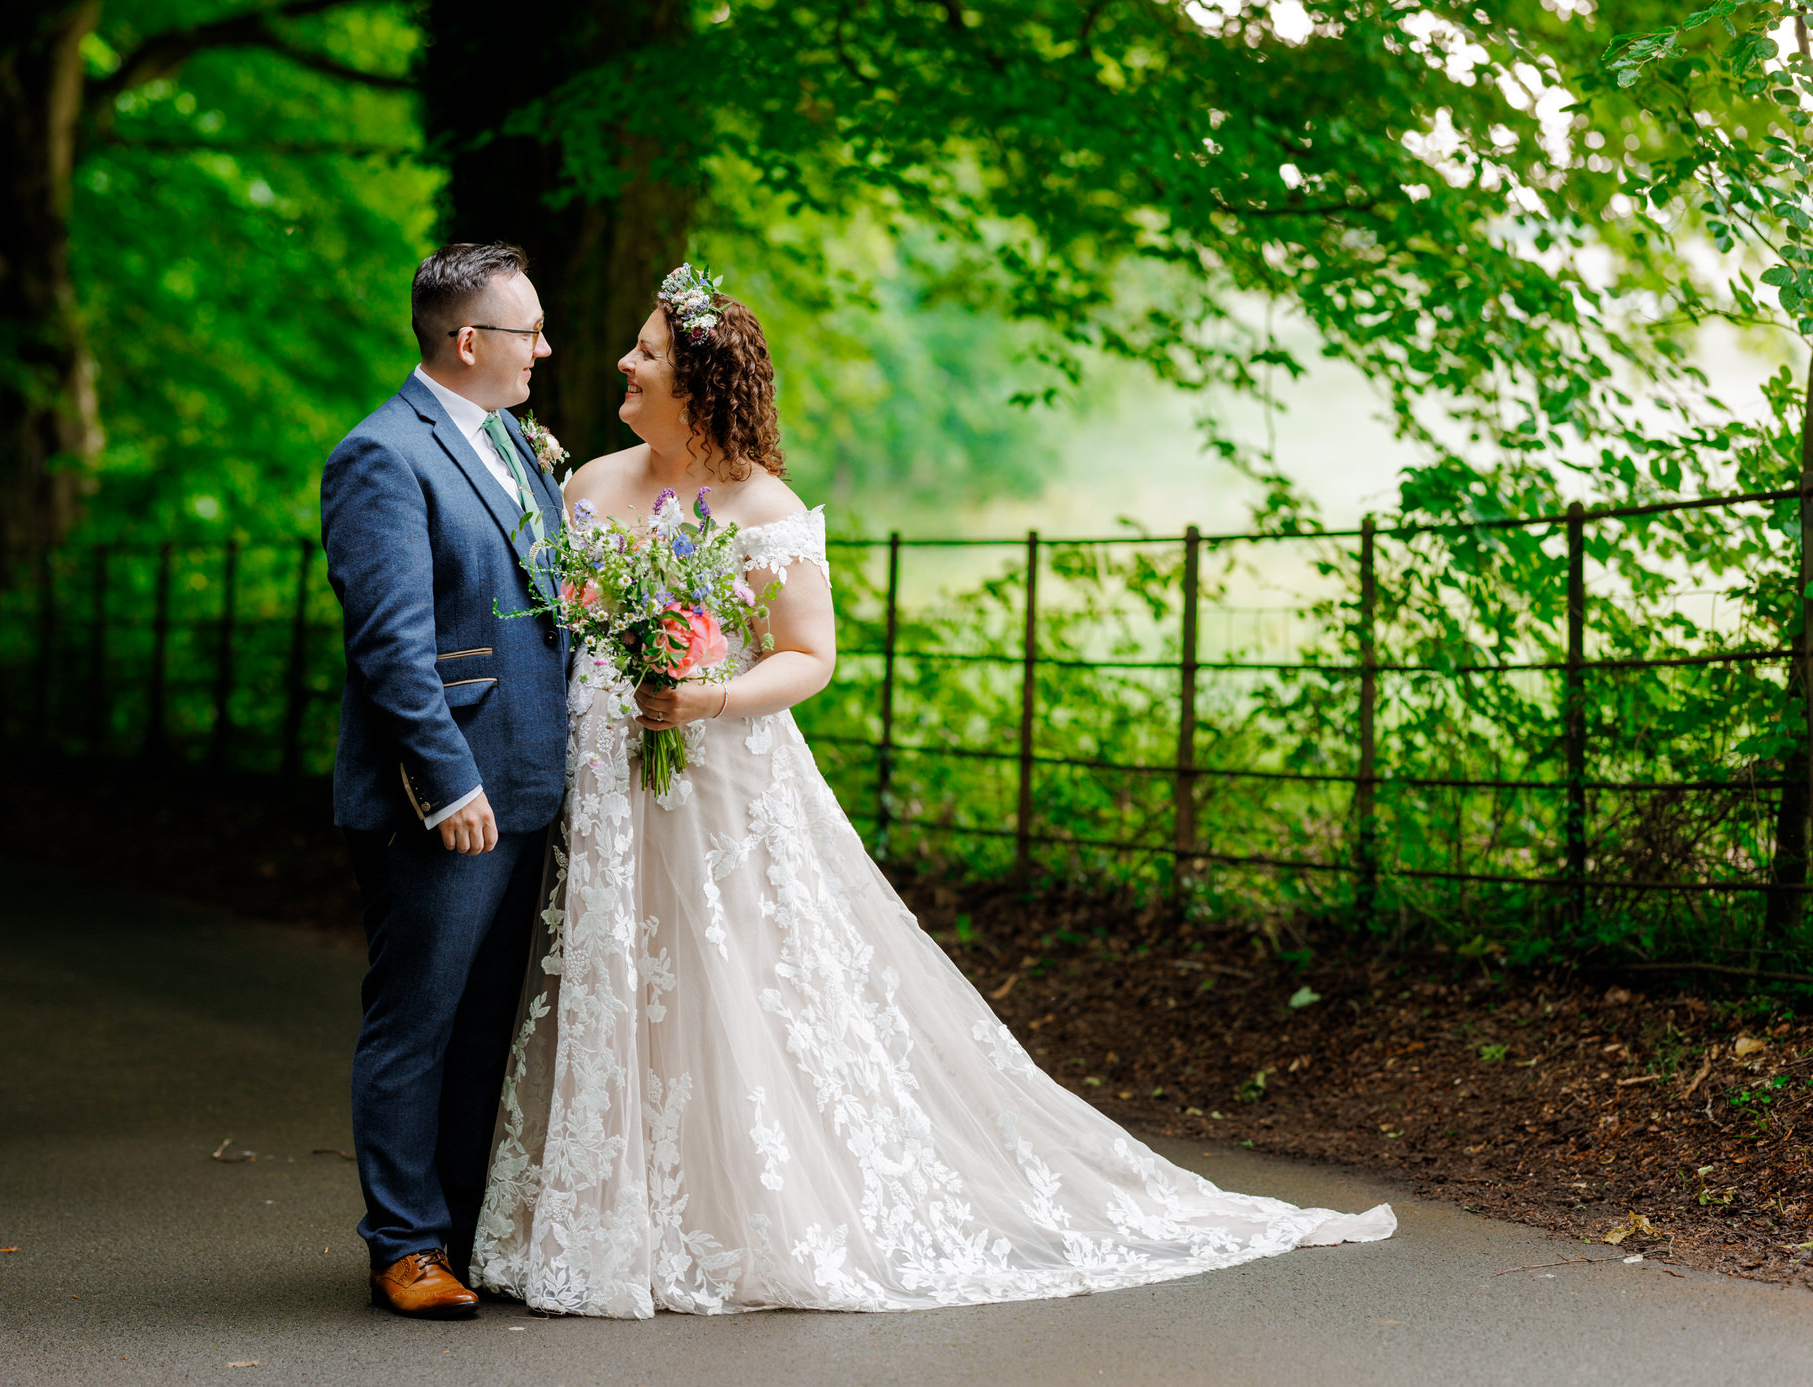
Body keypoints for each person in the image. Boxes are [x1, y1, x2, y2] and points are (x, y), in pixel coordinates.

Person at [471, 263, 1394, 1317]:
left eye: (647, 352)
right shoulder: (586, 485)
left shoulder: (763, 506)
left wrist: (707, 697)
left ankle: (726, 1219)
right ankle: (605, 1214)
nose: (624, 364)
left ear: (699, 383)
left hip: (716, 788)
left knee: (725, 991)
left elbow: (808, 656)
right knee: (613, 980)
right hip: (606, 792)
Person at [320, 241, 574, 1318]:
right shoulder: (382, 454)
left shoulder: (514, 442)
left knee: (483, 1025)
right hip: (447, 800)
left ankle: (464, 1234)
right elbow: (391, 646)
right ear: (469, 341)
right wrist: (447, 781)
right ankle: (404, 1246)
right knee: (416, 1020)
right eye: (529, 332)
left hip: (527, 785)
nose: (545, 350)